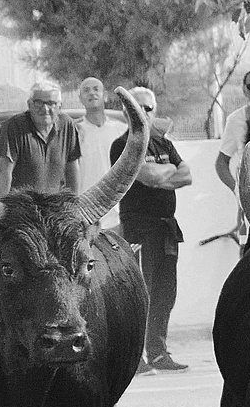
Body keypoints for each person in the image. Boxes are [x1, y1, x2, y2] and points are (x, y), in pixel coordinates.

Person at [113, 87, 192, 372]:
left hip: (166, 228)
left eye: (149, 108)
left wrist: (164, 175)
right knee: (141, 293)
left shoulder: (163, 143)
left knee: (165, 292)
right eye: (138, 107)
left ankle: (158, 353)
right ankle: (134, 358)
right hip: (139, 228)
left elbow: (188, 175)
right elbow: (147, 177)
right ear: (127, 110)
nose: (144, 113)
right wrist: (167, 173)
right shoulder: (123, 145)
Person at [0, 81, 81, 199]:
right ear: (29, 104)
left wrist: (73, 206)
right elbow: (3, 171)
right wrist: (0, 209)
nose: (45, 108)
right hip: (20, 209)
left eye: (51, 103)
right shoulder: (15, 126)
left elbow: (72, 170)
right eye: (38, 102)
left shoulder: (67, 125)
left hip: (54, 209)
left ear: (60, 106)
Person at [74, 77, 126, 228]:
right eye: (86, 90)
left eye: (96, 89)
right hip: (85, 216)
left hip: (118, 215)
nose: (92, 93)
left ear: (105, 95)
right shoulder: (74, 132)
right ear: (80, 98)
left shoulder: (121, 130)